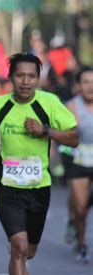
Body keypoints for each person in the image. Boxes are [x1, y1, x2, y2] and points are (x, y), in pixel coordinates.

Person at [0, 53, 79, 275]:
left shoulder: (49, 103)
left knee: (30, 250)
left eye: (31, 76)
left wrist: (46, 131)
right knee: (20, 248)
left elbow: (74, 138)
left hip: (39, 188)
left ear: (38, 78)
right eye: (20, 76)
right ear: (11, 78)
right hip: (9, 188)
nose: (25, 81)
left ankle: (18, 250)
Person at [65, 66, 93, 263]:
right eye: (85, 82)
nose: (90, 86)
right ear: (78, 86)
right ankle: (81, 242)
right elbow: (65, 135)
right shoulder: (72, 106)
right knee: (81, 207)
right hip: (79, 160)